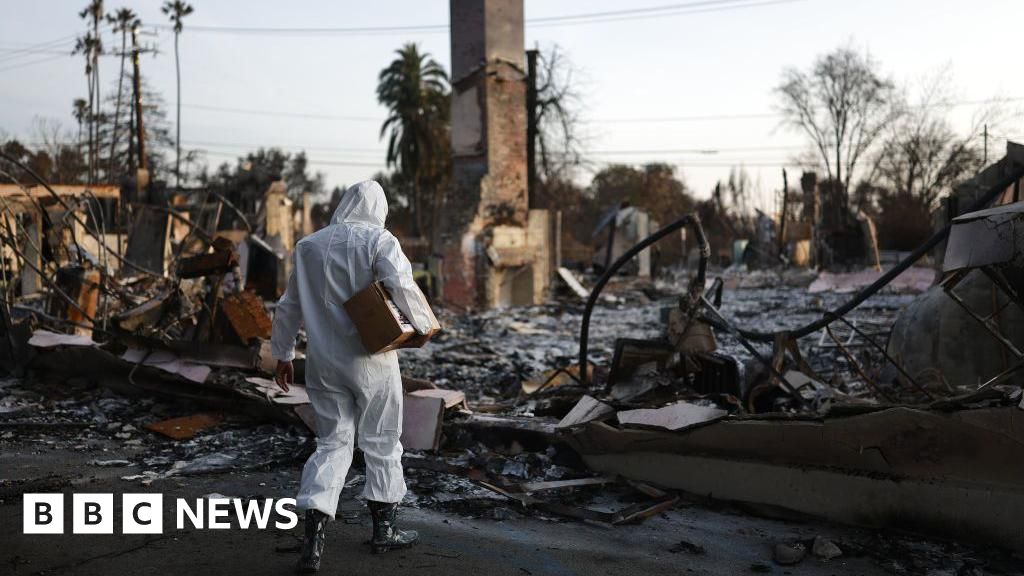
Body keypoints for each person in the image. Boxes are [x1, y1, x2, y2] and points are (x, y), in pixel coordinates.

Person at [271, 180, 435, 573]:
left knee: (332, 443)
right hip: (372, 361)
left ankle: (312, 543)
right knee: (382, 441)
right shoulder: (380, 240)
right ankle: (384, 531)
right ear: (379, 209)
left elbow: (288, 306)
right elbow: (401, 285)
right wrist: (424, 326)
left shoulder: (308, 247)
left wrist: (282, 355)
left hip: (323, 363)